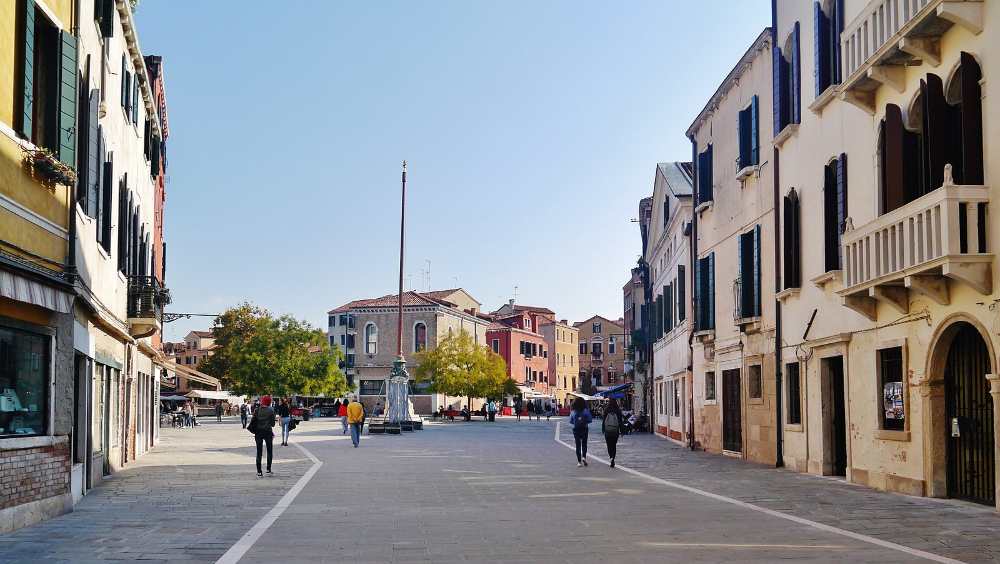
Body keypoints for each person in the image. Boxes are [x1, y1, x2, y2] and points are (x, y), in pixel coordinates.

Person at [250, 396, 276, 477]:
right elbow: (273, 424)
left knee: (259, 452)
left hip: (258, 432)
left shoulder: (257, 410)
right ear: (269, 402)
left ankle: (259, 471)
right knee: (269, 451)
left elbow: (253, 421)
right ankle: (268, 469)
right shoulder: (271, 410)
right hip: (268, 432)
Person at [569, 397, 592, 467]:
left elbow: (571, 421)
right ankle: (584, 457)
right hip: (584, 428)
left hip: (576, 429)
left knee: (578, 445)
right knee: (584, 444)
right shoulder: (586, 411)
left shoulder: (573, 411)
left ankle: (579, 462)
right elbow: (590, 420)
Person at [602, 398, 623, 468]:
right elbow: (620, 422)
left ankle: (611, 457)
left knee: (609, 445)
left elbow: (604, 421)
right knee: (614, 445)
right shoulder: (618, 411)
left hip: (607, 430)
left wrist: (603, 429)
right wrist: (622, 431)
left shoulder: (606, 410)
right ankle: (613, 458)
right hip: (615, 430)